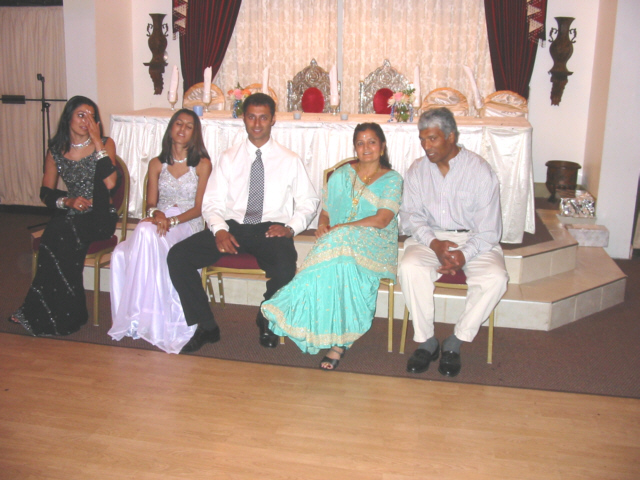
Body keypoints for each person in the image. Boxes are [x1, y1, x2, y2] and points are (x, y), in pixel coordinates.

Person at [167, 93, 319, 353]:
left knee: (285, 265)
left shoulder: (289, 159)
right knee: (178, 256)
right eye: (251, 117)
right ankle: (206, 326)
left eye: (263, 117)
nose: (257, 124)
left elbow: (309, 201)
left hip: (269, 229)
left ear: (273, 120)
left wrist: (290, 227)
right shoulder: (228, 157)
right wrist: (220, 230)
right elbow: (212, 202)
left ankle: (267, 315)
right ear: (244, 119)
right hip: (232, 228)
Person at [261, 123, 403, 370]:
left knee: (339, 242)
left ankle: (297, 307)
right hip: (340, 241)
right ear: (354, 147)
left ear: (382, 146)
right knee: (338, 255)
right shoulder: (342, 175)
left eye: (372, 142)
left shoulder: (392, 178)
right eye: (360, 142)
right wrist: (322, 226)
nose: (366, 147)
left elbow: (382, 220)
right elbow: (325, 212)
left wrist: (341, 228)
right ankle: (333, 336)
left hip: (375, 242)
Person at [398, 107, 508, 377]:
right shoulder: (417, 171)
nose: (426, 146)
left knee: (496, 278)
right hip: (429, 238)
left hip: (474, 238)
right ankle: (427, 341)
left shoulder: (480, 171)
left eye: (432, 139)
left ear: (451, 137)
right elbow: (411, 218)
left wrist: (464, 254)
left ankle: (455, 341)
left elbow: (489, 230)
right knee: (410, 267)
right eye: (422, 139)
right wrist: (434, 243)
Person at [10, 96, 119, 336]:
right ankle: (61, 312)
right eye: (81, 115)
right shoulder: (56, 150)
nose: (86, 121)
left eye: (91, 116)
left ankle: (60, 313)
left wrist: (97, 142)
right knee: (56, 234)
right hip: (72, 214)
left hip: (101, 216)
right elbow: (46, 192)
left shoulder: (105, 143)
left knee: (60, 231)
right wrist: (68, 201)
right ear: (68, 117)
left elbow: (111, 182)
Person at [108, 109, 212, 354]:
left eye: (189, 126)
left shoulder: (202, 164)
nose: (182, 129)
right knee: (138, 238)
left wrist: (171, 220)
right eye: (179, 123)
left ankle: (150, 317)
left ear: (195, 133)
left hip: (188, 223)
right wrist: (157, 214)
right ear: (171, 128)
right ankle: (142, 316)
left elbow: (199, 209)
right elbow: (151, 203)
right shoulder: (157, 163)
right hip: (161, 220)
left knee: (145, 233)